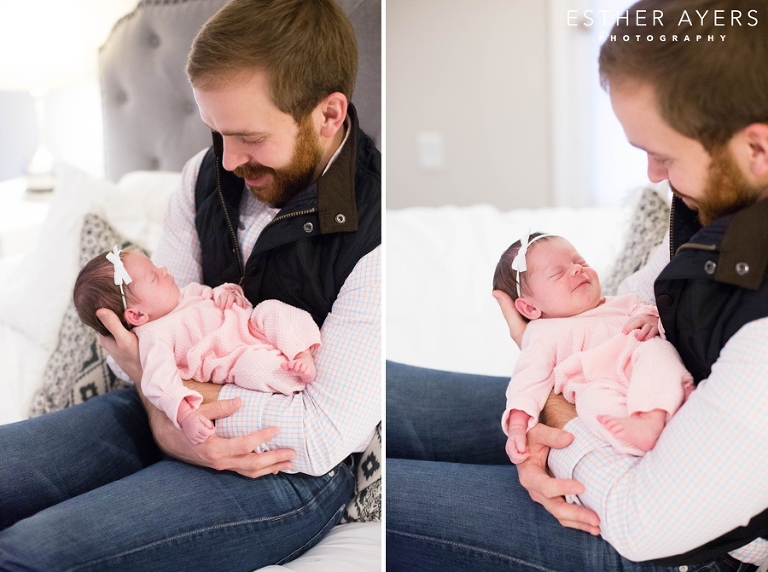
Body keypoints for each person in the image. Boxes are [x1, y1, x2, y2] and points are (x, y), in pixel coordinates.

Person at [387, 0, 768, 570]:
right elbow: (640, 294)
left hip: (688, 546)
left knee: (373, 489)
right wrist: (537, 409)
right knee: (386, 393)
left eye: (662, 155)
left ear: (757, 149)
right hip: (616, 426)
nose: (653, 177)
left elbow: (644, 525)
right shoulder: (722, 211)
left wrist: (554, 422)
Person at [0, 0, 380, 570]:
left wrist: (172, 403)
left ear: (328, 115)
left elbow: (322, 433)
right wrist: (168, 422)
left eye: (248, 136)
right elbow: (152, 328)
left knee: (34, 552)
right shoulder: (202, 176)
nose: (226, 161)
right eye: (215, 130)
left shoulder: (378, 231)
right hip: (165, 412)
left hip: (285, 469)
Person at [73, 247, 321, 444]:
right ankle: (292, 375)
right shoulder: (153, 337)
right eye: (154, 277)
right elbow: (160, 384)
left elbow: (221, 293)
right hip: (237, 358)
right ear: (137, 316)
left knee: (271, 309)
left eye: (156, 267)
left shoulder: (185, 293)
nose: (164, 270)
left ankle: (301, 352)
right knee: (252, 367)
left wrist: (228, 293)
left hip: (252, 326)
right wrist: (186, 416)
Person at [495, 232, 692, 460]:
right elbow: (527, 382)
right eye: (558, 273)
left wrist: (650, 319)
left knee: (656, 351)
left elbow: (655, 312)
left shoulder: (622, 303)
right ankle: (638, 442)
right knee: (590, 404)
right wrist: (518, 426)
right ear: (529, 308)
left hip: (640, 363)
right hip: (597, 385)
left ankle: (654, 415)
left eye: (580, 262)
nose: (577, 269)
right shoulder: (541, 335)